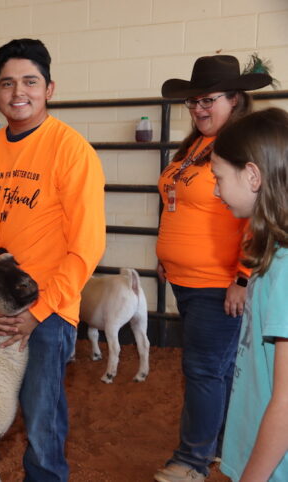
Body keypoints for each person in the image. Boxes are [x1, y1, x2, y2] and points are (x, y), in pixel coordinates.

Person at [0, 38, 106, 481]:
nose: (18, 91)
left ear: (49, 88)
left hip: (48, 310)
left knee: (41, 418)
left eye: (30, 81)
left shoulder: (71, 150)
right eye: (7, 83)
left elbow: (86, 245)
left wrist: (39, 312)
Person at [154, 55, 272, 482]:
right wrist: (164, 255)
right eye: (193, 101)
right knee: (213, 370)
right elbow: (177, 203)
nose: (199, 108)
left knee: (204, 370)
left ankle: (191, 462)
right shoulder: (197, 146)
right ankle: (219, 446)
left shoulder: (241, 148)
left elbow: (257, 217)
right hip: (185, 279)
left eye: (208, 100)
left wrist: (242, 276)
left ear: (235, 99)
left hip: (217, 282)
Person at [213, 108, 288, 481]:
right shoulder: (271, 256)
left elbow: (287, 401)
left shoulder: (284, 271)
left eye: (220, 178)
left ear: (253, 176)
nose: (215, 189)